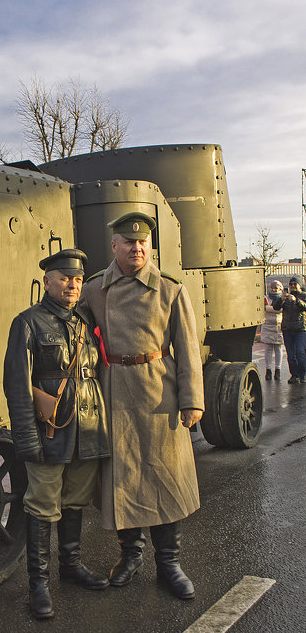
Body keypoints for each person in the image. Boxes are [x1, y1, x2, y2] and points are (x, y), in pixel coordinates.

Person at [80, 212, 204, 600]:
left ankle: (168, 563)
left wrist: (192, 401)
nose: (136, 248)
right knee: (123, 478)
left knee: (163, 478)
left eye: (142, 243)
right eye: (128, 242)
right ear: (114, 245)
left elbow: (187, 349)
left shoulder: (170, 289)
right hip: (113, 391)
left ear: (149, 246)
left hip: (158, 393)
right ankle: (129, 555)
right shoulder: (94, 289)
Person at [3, 248, 110, 619]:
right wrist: (26, 438)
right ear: (46, 281)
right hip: (50, 432)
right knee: (42, 505)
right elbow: (17, 387)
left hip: (89, 429)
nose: (72, 284)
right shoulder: (27, 323)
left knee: (75, 501)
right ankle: (38, 585)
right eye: (64, 278)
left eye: (78, 279)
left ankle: (71, 567)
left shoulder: (85, 320)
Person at [272, 277, 306, 384]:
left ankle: (303, 374)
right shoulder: (285, 297)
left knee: (300, 353)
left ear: (300, 285)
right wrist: (281, 299)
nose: (293, 286)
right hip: (287, 329)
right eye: (291, 284)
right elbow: (276, 307)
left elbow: (304, 306)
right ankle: (294, 375)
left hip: (301, 329)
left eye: (295, 284)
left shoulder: (303, 296)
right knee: (291, 355)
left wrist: (296, 301)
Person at [260, 280, 284, 380]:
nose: (274, 290)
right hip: (267, 326)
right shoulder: (266, 298)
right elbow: (263, 308)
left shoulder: (283, 298)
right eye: (272, 288)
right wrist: (273, 309)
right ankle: (268, 370)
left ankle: (278, 370)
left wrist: (268, 308)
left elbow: (280, 309)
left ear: (280, 288)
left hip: (279, 326)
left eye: (276, 287)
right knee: (268, 349)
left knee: (278, 349)